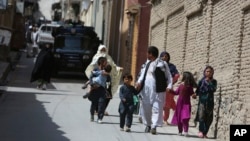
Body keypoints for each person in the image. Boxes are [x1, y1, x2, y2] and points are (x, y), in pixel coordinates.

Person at [135, 46, 173, 135]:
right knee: (146, 108)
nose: (146, 54)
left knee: (157, 108)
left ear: (151, 54)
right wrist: (139, 82)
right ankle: (148, 124)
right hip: (146, 90)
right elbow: (142, 74)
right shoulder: (147, 63)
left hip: (158, 90)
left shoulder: (162, 64)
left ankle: (154, 126)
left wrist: (169, 86)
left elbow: (169, 75)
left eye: (148, 53)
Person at [84, 44, 123, 115]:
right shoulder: (96, 57)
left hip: (107, 80)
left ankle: (102, 109)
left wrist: (118, 69)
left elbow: (113, 67)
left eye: (104, 50)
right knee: (97, 95)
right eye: (102, 50)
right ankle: (97, 110)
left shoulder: (109, 58)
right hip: (98, 80)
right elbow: (92, 67)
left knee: (108, 96)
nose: (103, 52)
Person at [171, 71, 197, 137]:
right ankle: (180, 131)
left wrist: (194, 95)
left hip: (186, 104)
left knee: (185, 118)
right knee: (179, 118)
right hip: (179, 104)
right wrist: (170, 91)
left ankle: (185, 131)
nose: (181, 76)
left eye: (182, 75)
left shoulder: (189, 87)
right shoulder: (180, 86)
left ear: (185, 77)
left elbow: (192, 94)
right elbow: (176, 92)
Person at [194, 65, 217, 138]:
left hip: (210, 102)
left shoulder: (214, 81)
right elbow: (197, 91)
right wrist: (195, 94)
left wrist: (209, 83)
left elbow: (213, 89)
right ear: (205, 72)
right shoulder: (201, 81)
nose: (208, 73)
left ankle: (205, 132)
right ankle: (201, 131)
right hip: (202, 101)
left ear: (212, 73)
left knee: (209, 119)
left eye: (210, 72)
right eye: (207, 71)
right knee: (201, 116)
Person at [160, 51, 180, 125]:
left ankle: (165, 119)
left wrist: (171, 81)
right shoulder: (158, 65)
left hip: (168, 88)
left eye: (166, 56)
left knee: (167, 105)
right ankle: (159, 118)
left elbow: (177, 75)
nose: (164, 58)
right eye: (163, 56)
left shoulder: (171, 66)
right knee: (159, 103)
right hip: (159, 87)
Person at [88, 57, 109, 123]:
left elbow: (108, 79)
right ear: (101, 62)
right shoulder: (96, 69)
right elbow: (91, 77)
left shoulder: (106, 70)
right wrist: (92, 85)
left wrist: (107, 75)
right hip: (94, 89)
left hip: (102, 89)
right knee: (94, 104)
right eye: (105, 62)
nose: (106, 63)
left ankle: (100, 118)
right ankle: (92, 114)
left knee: (102, 104)